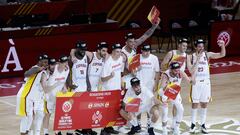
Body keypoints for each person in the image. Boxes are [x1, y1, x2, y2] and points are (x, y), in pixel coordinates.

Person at [188, 39, 226, 134]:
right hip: (196, 83)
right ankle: (192, 124)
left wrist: (222, 45)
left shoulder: (207, 54)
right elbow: (191, 71)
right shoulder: (190, 57)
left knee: (204, 103)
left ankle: (203, 124)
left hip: (206, 82)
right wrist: (197, 59)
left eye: (202, 46)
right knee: (195, 103)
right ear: (195, 47)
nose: (201, 48)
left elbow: (222, 55)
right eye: (199, 46)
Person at [122, 18, 160, 89]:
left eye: (133, 41)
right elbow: (122, 71)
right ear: (126, 42)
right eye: (130, 42)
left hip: (136, 72)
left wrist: (154, 26)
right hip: (128, 76)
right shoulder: (123, 54)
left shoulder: (134, 45)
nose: (133, 43)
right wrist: (132, 72)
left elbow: (146, 35)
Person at [158, 62, 195, 135]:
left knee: (181, 109)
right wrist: (167, 85)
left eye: (178, 70)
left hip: (175, 92)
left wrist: (192, 81)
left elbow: (189, 80)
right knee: (165, 112)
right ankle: (164, 130)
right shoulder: (166, 74)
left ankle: (176, 127)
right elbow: (162, 87)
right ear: (170, 69)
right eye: (175, 70)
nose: (177, 72)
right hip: (164, 92)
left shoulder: (180, 72)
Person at [16, 54, 49, 135]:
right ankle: (23, 133)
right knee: (26, 117)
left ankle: (26, 132)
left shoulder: (43, 71)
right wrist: (39, 69)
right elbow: (26, 73)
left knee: (30, 117)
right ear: (39, 62)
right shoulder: (35, 68)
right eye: (44, 62)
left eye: (46, 62)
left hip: (30, 97)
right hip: (24, 95)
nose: (45, 64)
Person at [160, 38, 188, 130]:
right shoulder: (171, 53)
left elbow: (189, 68)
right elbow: (162, 65)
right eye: (183, 45)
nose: (185, 47)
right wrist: (171, 66)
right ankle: (165, 128)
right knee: (167, 106)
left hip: (178, 80)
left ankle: (174, 125)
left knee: (177, 105)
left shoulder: (186, 55)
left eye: (186, 46)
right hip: (168, 79)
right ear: (179, 45)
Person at [100, 43, 125, 135]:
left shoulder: (121, 59)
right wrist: (110, 76)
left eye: (120, 52)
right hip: (108, 90)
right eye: (117, 52)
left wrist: (122, 83)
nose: (119, 53)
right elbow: (102, 79)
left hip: (117, 89)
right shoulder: (108, 63)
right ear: (113, 52)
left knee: (113, 110)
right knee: (106, 110)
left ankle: (109, 127)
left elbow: (120, 72)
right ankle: (103, 130)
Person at [42, 56, 69, 135]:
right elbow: (46, 88)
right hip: (48, 97)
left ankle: (57, 132)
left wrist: (64, 88)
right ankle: (45, 132)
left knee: (59, 115)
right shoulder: (50, 71)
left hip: (59, 96)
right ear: (59, 63)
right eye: (64, 63)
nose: (66, 64)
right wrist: (56, 85)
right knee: (47, 114)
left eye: (66, 62)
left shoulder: (67, 69)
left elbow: (63, 80)